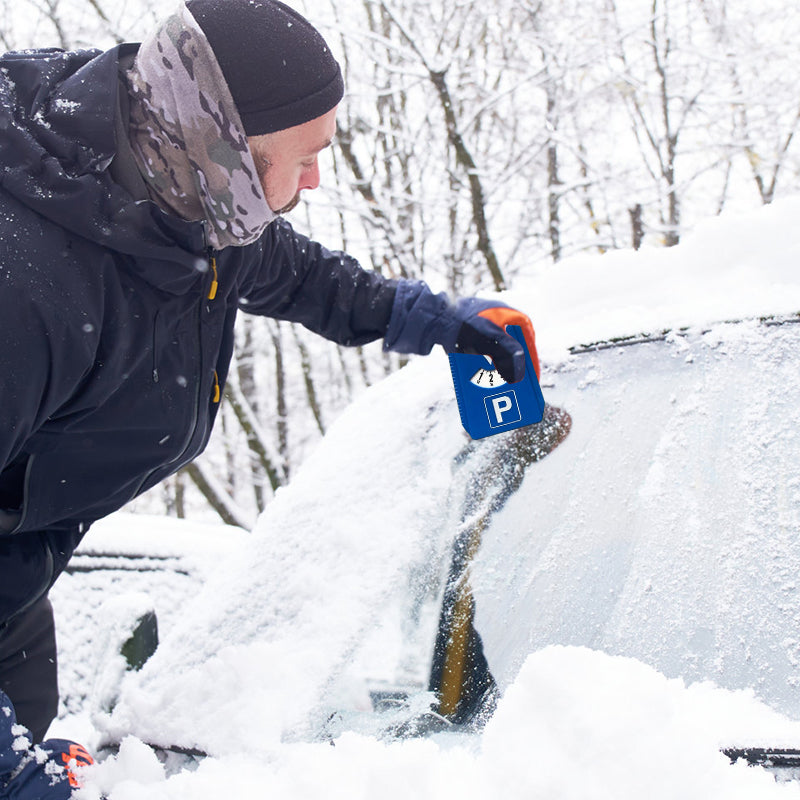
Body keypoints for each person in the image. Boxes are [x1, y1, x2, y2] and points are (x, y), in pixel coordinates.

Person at [0, 0, 540, 782]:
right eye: (309, 153)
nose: (319, 178)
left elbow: (299, 275)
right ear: (230, 147)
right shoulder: (29, 284)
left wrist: (432, 320)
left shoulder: (192, 199)